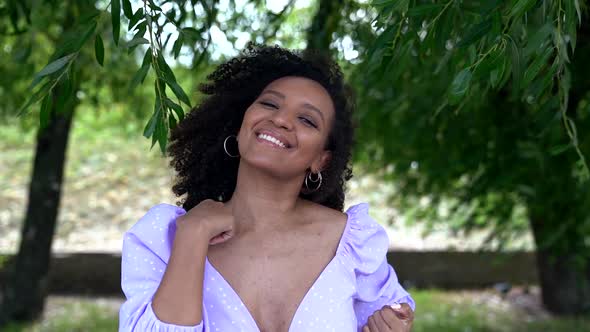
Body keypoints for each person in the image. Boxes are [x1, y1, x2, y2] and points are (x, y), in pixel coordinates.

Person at [119, 43, 415, 332]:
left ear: (321, 160)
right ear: (240, 125)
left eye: (307, 120)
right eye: (270, 103)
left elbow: (391, 317)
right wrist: (193, 236)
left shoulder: (352, 244)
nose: (281, 119)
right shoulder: (165, 239)